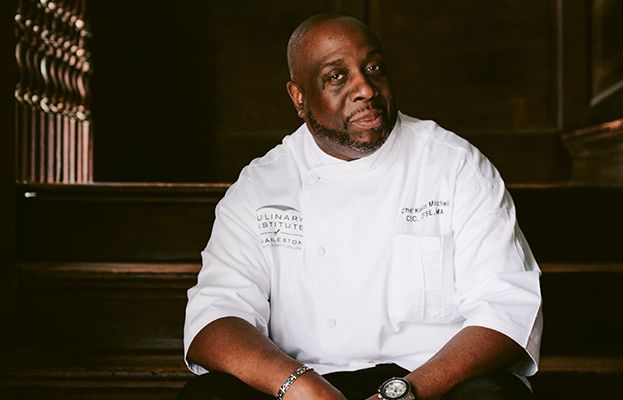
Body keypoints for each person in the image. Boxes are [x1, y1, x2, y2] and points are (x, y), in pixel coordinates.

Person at [177, 12, 542, 400]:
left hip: (431, 382)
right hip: (304, 383)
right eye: (337, 76)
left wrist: (403, 393)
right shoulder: (260, 186)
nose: (365, 88)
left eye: (373, 68)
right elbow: (215, 318)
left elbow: (506, 307)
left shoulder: (454, 166)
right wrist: (301, 386)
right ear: (299, 97)